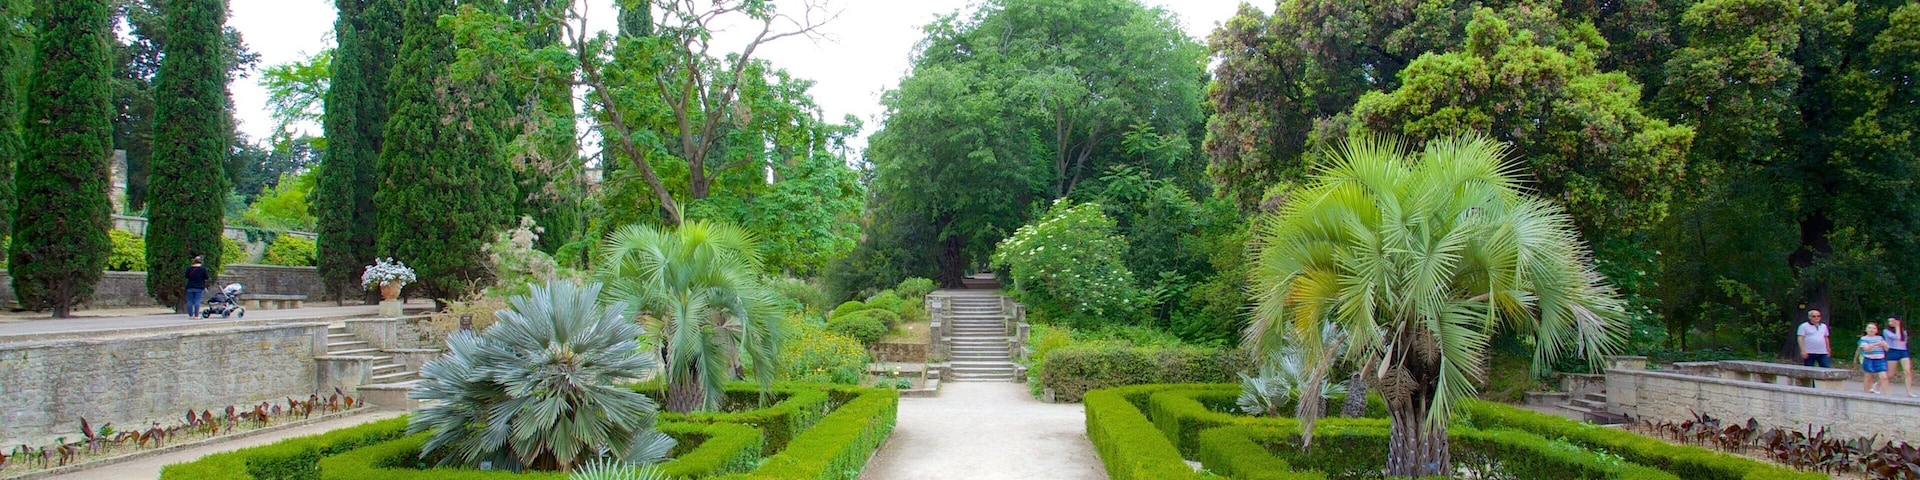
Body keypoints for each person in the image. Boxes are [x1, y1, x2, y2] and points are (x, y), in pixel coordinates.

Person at [1859, 322, 1891, 394]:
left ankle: (1888, 395)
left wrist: (1884, 345)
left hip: (1880, 359)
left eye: (1874, 328)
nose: (1871, 329)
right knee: (1868, 377)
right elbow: (1867, 349)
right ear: (1866, 330)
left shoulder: (1880, 338)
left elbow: (1887, 349)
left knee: (1884, 377)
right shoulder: (1864, 339)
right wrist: (1875, 344)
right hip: (1868, 359)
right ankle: (1866, 393)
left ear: (1876, 330)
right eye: (1869, 328)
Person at [1887, 316, 1913, 397]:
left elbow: (1904, 342)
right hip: (1893, 351)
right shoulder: (1886, 331)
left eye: (1893, 321)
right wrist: (1897, 327)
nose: (1891, 323)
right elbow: (1897, 337)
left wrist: (1899, 327)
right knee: (1891, 374)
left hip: (1903, 352)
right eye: (1890, 321)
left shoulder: (1904, 332)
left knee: (1907, 371)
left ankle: (1909, 392)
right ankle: (1878, 384)